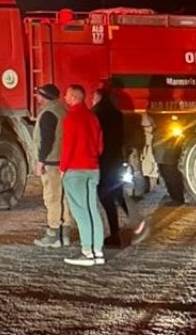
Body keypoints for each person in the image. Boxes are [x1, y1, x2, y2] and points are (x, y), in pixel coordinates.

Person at [60, 84, 105, 266]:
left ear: (74, 98)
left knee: (80, 211)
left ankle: (86, 252)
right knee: (93, 209)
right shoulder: (93, 117)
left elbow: (68, 146)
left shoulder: (71, 118)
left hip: (75, 170)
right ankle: (98, 251)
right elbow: (99, 146)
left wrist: (63, 168)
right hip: (93, 168)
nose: (64, 98)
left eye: (67, 95)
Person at [32, 84, 73, 248]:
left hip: (51, 163)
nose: (37, 98)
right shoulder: (63, 110)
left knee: (52, 198)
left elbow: (47, 140)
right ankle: (65, 235)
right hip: (63, 162)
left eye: (38, 95)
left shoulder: (48, 113)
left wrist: (40, 161)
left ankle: (53, 235)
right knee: (64, 199)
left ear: (44, 96)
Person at [93, 86, 129, 247]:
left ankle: (114, 235)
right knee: (118, 194)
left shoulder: (95, 114)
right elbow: (122, 139)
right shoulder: (117, 114)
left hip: (102, 161)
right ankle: (134, 223)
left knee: (106, 198)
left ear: (99, 98)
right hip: (116, 160)